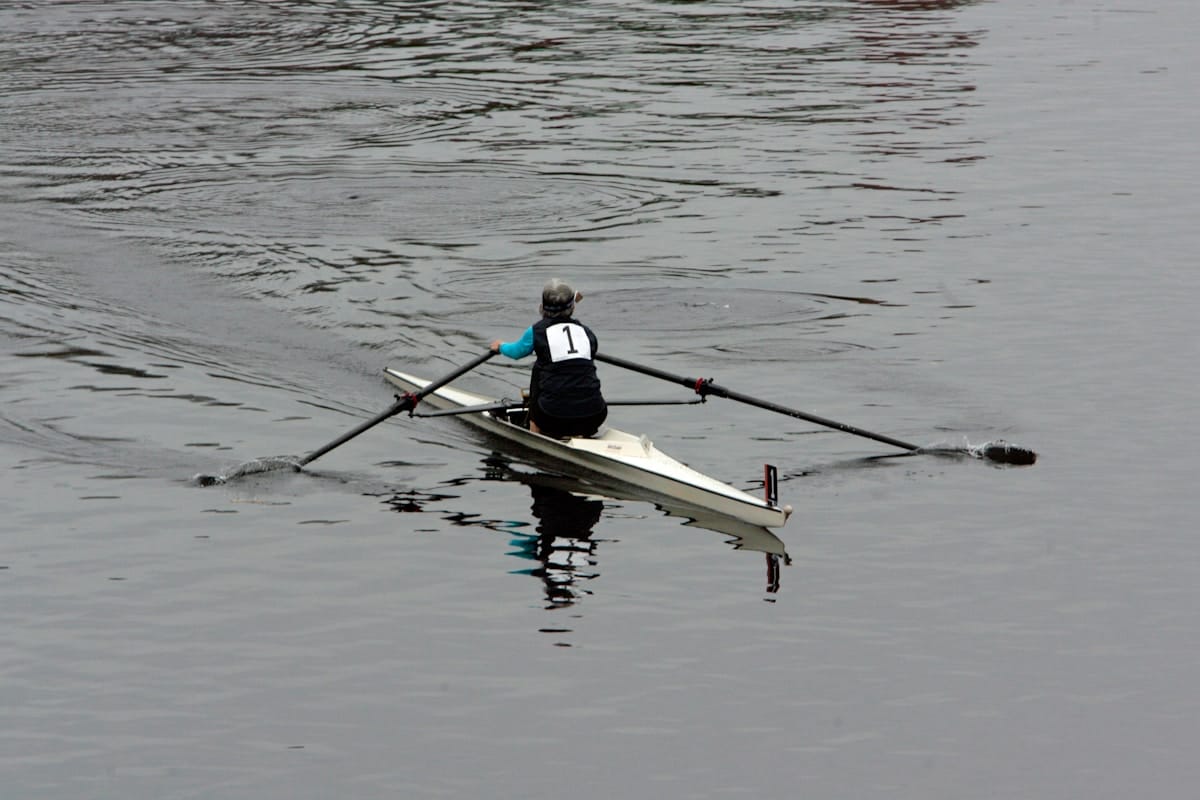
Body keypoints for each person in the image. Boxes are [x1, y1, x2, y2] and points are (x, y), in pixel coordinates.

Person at [489, 278, 607, 438]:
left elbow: (517, 352)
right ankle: (580, 432)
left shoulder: (536, 331)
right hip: (596, 415)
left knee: (540, 367)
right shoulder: (587, 333)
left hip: (551, 416)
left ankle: (534, 430)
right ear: (572, 308)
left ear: (542, 308)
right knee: (580, 370)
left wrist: (501, 346)